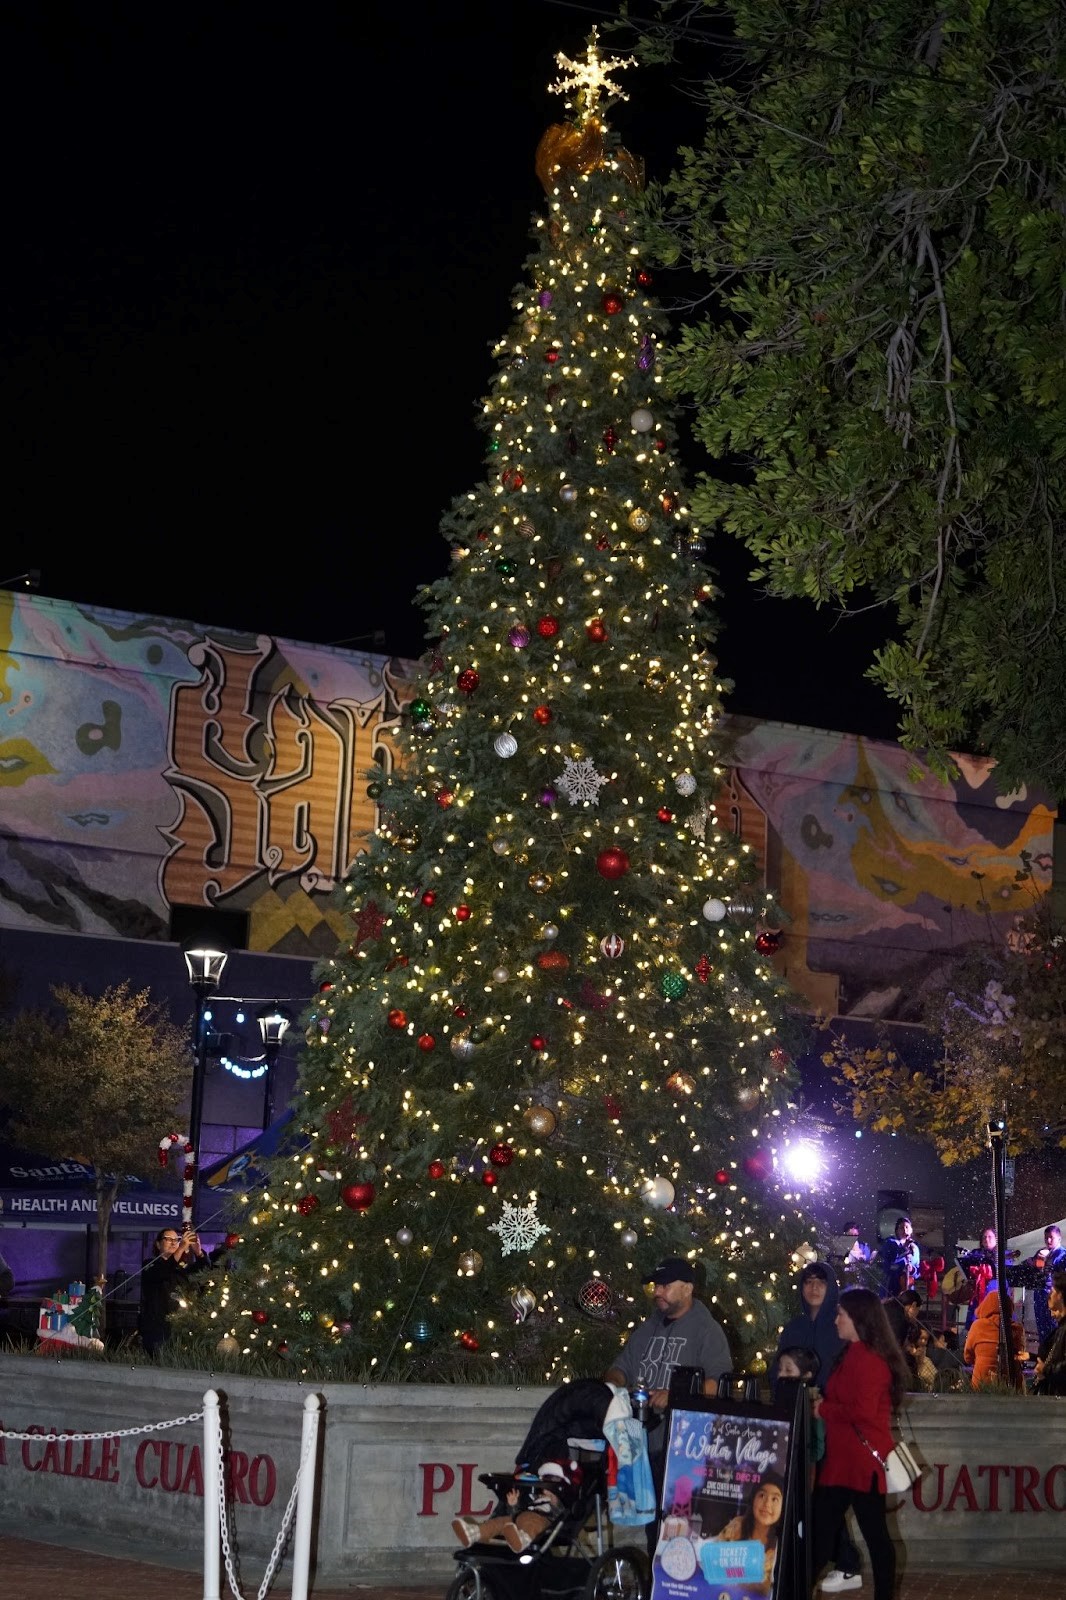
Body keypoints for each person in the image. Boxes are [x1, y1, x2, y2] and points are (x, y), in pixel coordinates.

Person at [604, 1256, 731, 1550]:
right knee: (653, 1526)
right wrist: (612, 1383)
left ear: (687, 1288)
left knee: (676, 1526)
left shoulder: (706, 1330)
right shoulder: (646, 1329)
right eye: (655, 1286)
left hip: (683, 1450)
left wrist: (676, 1396)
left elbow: (719, 1383)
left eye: (664, 1285)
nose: (656, 1291)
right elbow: (620, 1367)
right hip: (643, 1443)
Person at [810, 1287, 911, 1600]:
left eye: (842, 1314)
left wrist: (823, 1409)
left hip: (860, 1464)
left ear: (858, 1318)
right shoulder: (855, 1354)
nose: (836, 1320)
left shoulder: (869, 1360)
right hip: (844, 1461)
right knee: (826, 1533)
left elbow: (862, 1412)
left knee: (871, 1535)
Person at [773, 1265, 862, 1592]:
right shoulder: (794, 1327)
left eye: (820, 1282)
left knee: (824, 1495)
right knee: (809, 1493)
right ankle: (837, 1559)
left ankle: (844, 1561)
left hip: (829, 1422)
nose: (813, 1288)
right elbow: (777, 1367)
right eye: (807, 1282)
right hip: (795, 1419)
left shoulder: (836, 1326)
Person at [452, 1458, 578, 1553]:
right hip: (521, 1518)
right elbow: (518, 1514)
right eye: (545, 1479)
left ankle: (522, 1540)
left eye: (552, 1481)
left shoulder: (557, 1502)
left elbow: (559, 1514)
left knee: (531, 1522)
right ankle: (474, 1533)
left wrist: (554, 1498)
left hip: (543, 1522)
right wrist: (513, 1505)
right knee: (500, 1522)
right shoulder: (536, 1498)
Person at [137, 1224, 214, 1356]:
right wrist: (182, 1247)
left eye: (176, 1239)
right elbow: (164, 1271)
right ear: (158, 1244)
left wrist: (199, 1253)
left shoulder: (181, 1268)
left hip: (181, 1328)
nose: (174, 1242)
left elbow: (205, 1273)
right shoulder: (150, 1265)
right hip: (157, 1328)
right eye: (169, 1239)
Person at [712, 1470, 783, 1594]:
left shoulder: (781, 1541)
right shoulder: (737, 1525)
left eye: (775, 1499)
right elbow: (713, 1558)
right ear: (753, 1499)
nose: (767, 1504)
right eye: (762, 1495)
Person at [963, 1287, 1027, 1389]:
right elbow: (1021, 1356)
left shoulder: (977, 1326)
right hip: (1011, 1385)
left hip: (982, 1385)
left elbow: (967, 1357)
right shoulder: (1017, 1329)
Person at [1032, 1271, 1066, 1394]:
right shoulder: (1060, 1328)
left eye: (1052, 1291)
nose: (1049, 1295)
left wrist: (1046, 1370)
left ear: (1061, 1295)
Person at [956, 1228, 998, 1327]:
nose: (986, 1239)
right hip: (978, 1293)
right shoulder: (975, 1254)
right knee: (975, 1323)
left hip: (994, 1293)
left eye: (990, 1237)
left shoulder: (1001, 1255)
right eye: (984, 1237)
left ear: (996, 1239)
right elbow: (966, 1268)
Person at [1033, 1225, 1066, 1344]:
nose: (1048, 1240)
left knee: (1054, 1330)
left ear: (1059, 1238)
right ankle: (1044, 1358)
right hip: (1040, 1298)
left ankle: (1054, 1359)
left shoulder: (1063, 1255)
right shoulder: (1041, 1253)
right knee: (1042, 1330)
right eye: (1046, 1238)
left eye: (1051, 1237)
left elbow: (1060, 1275)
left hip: (1054, 1298)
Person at [880, 1216, 920, 1299]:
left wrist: (912, 1269)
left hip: (908, 1286)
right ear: (897, 1231)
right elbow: (888, 1265)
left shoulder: (915, 1248)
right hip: (892, 1284)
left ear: (911, 1230)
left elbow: (918, 1269)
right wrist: (904, 1248)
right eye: (902, 1228)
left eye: (907, 1227)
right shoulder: (890, 1243)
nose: (905, 1230)